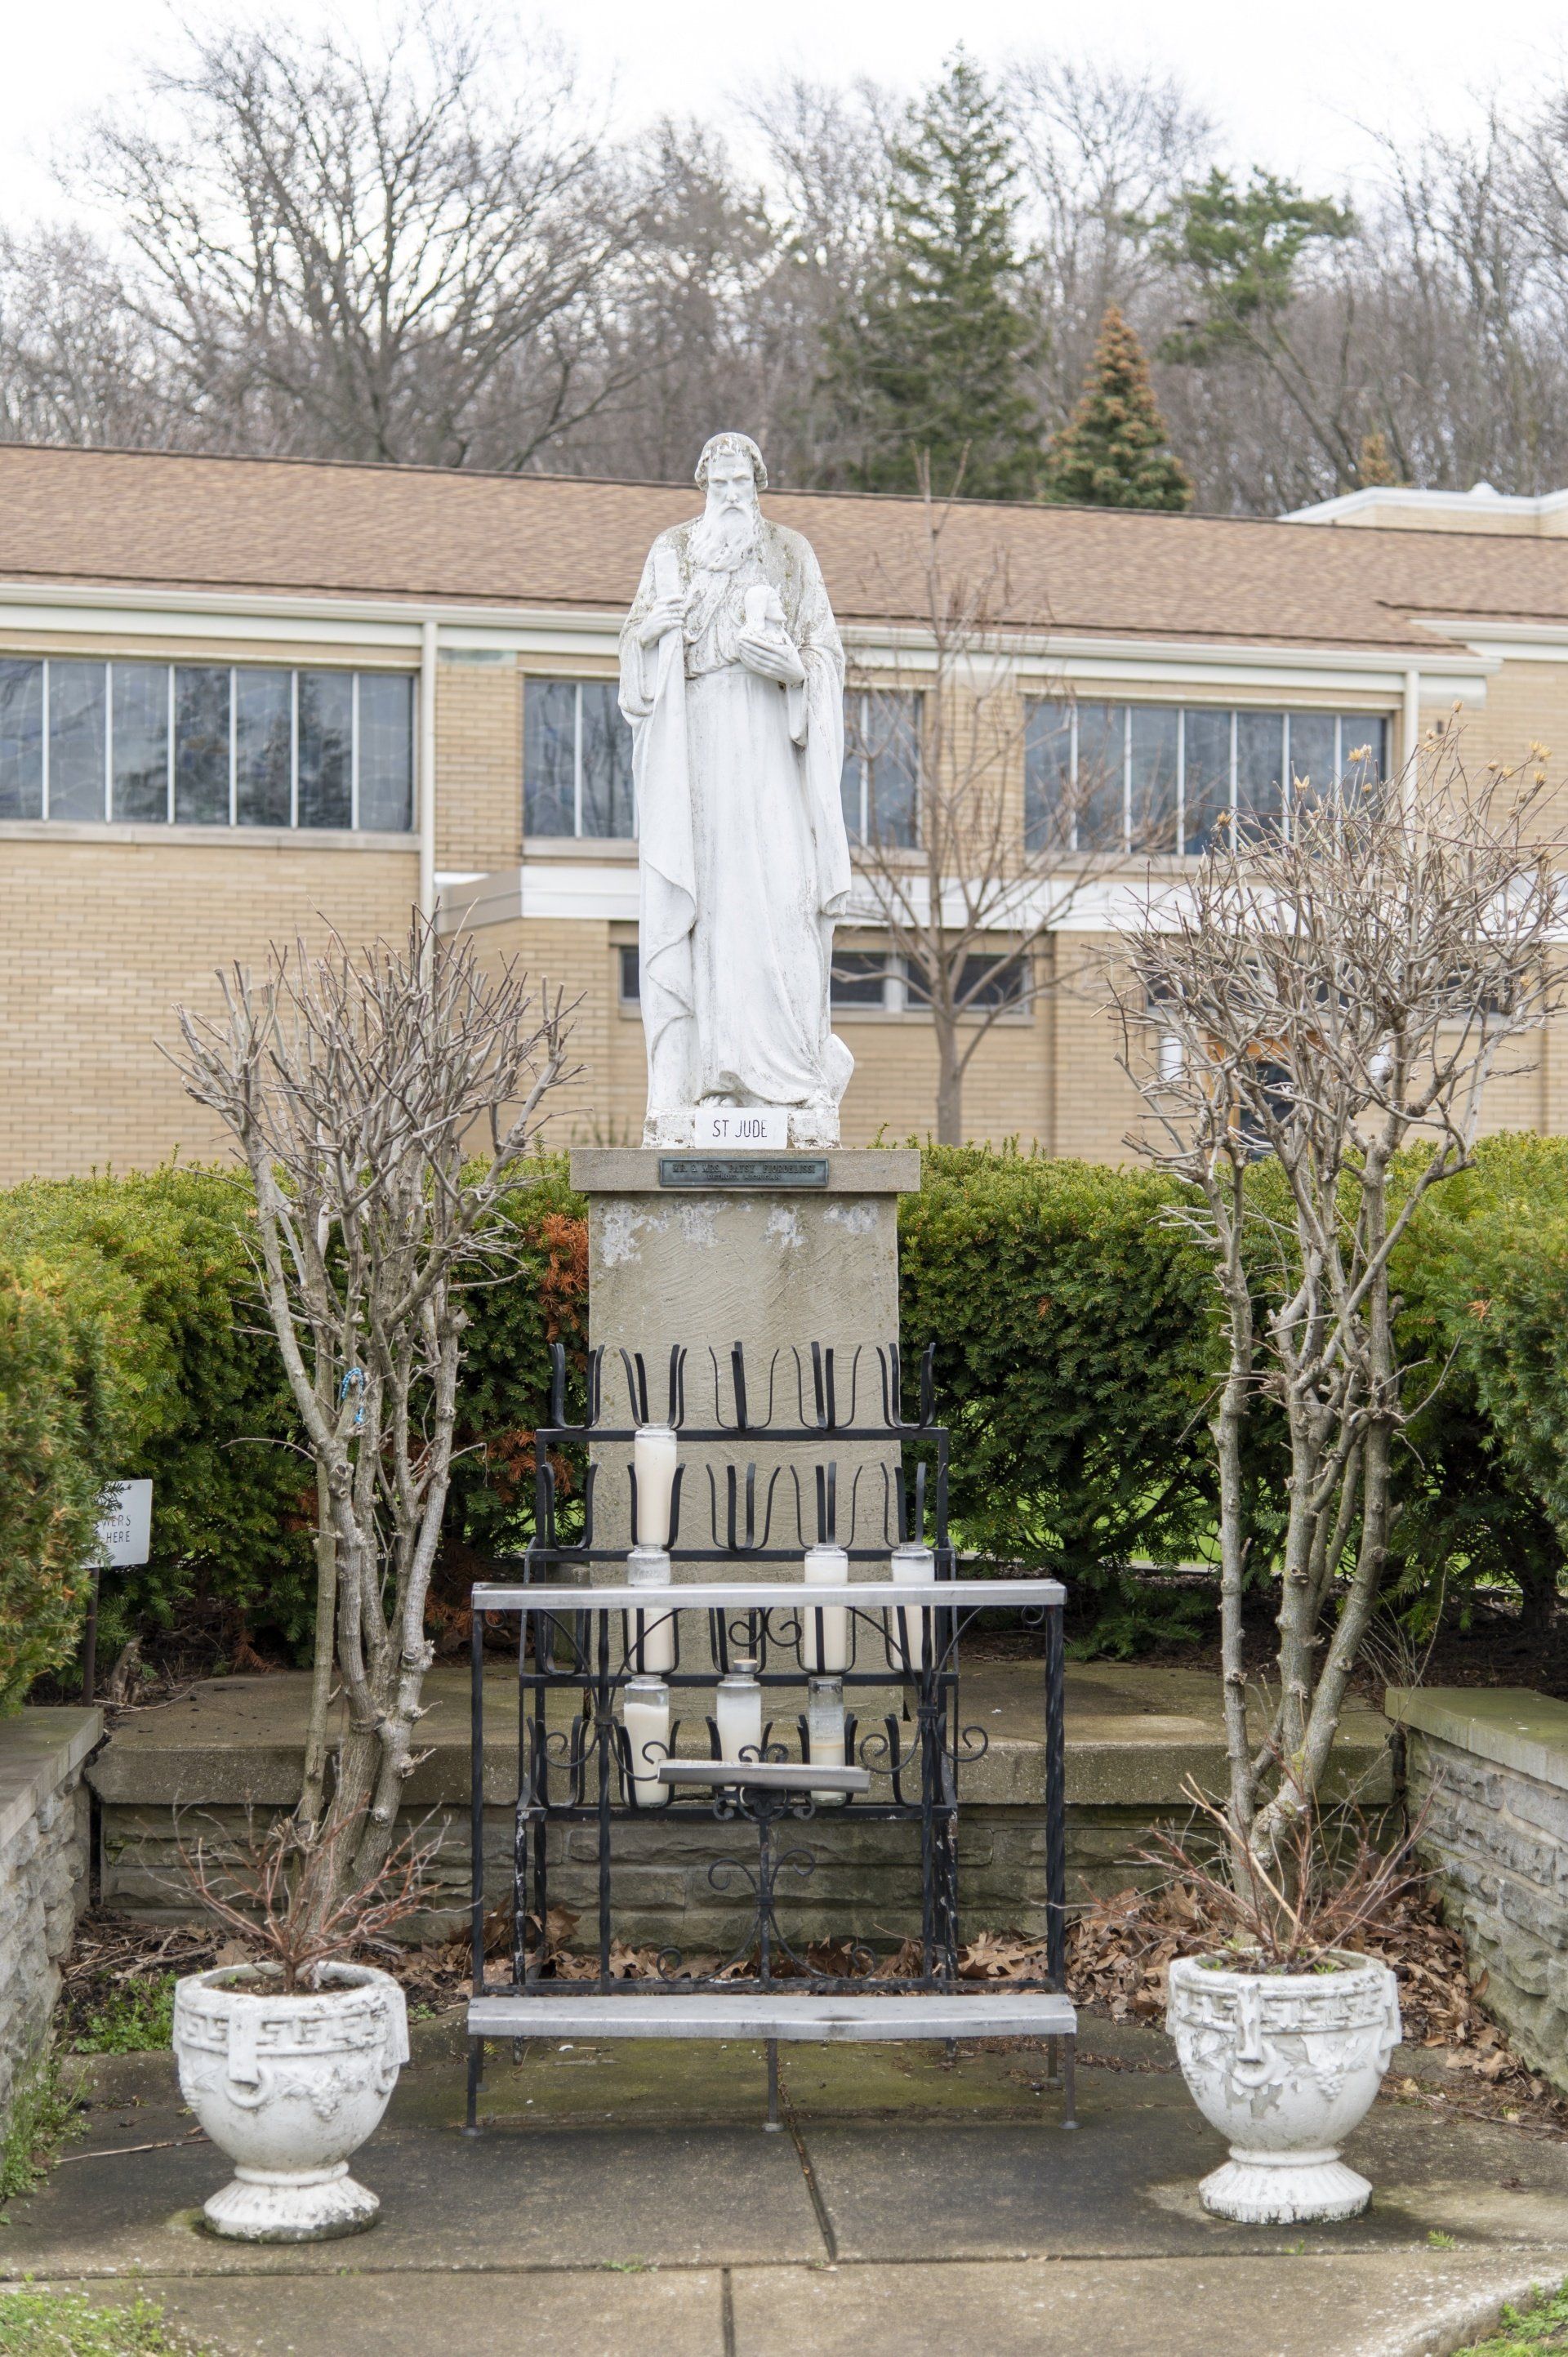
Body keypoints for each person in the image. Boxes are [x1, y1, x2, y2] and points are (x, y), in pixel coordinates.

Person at [618, 432, 853, 1147]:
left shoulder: (789, 553)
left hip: (770, 749)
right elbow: (635, 658)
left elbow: (825, 651)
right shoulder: (671, 551)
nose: (729, 496)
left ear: (757, 485)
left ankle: (792, 1074)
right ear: (703, 486)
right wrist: (651, 633)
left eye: (740, 483)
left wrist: (793, 672)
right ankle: (711, 1078)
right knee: (710, 907)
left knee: (780, 895)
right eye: (717, 483)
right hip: (696, 750)